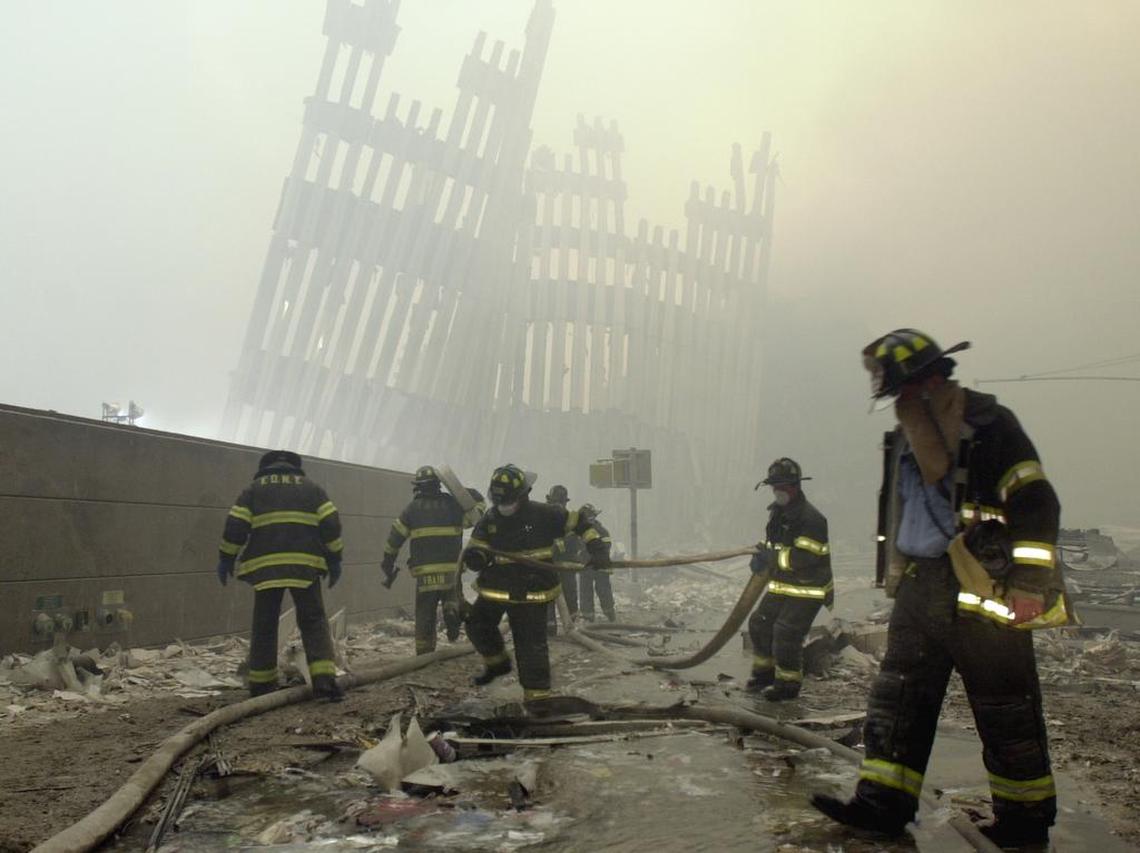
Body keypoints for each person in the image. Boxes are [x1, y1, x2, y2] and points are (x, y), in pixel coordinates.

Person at [812, 329, 1070, 847]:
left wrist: (1028, 584)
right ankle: (882, 804)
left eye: (904, 392)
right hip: (920, 587)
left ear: (931, 381)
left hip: (983, 586)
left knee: (1006, 711)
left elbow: (1038, 503)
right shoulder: (908, 435)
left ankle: (1024, 823)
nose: (899, 404)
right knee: (897, 701)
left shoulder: (990, 425)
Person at [462, 464, 611, 707]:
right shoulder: (491, 518)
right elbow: (478, 545)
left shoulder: (546, 514)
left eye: (508, 501)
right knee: (477, 623)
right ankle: (497, 663)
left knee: (530, 643)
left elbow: (580, 522)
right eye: (500, 501)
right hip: (497, 586)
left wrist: (597, 548)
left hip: (532, 589)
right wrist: (477, 557)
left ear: (522, 495)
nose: (505, 507)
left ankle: (537, 698)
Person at [217, 450, 344, 701]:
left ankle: (262, 686)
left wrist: (226, 558)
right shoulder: (312, 489)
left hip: (265, 569)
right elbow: (331, 525)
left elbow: (235, 527)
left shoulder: (253, 490)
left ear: (266, 468)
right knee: (313, 621)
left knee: (264, 625)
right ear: (294, 468)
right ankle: (324, 685)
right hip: (304, 567)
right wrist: (335, 559)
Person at [745, 458, 833, 701]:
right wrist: (762, 555)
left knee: (785, 633)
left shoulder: (811, 519)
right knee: (759, 623)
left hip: (808, 588)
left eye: (783, 486)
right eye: (775, 486)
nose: (779, 491)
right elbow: (776, 545)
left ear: (796, 486)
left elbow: (805, 557)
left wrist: (772, 557)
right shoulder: (777, 513)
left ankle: (787, 685)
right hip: (783, 585)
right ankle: (764, 675)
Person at [381, 466, 483, 655]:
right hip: (452, 568)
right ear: (438, 485)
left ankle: (424, 650)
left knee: (425, 611)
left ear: (418, 487)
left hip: (425, 572)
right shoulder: (453, 505)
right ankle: (451, 609)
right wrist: (469, 494)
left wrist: (387, 562)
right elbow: (477, 516)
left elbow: (394, 539)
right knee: (453, 595)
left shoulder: (411, 510)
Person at [544, 484, 580, 633]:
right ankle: (550, 625)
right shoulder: (543, 516)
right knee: (549, 595)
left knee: (569, 593)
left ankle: (570, 624)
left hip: (562, 564)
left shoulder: (569, 518)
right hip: (550, 564)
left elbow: (573, 541)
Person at [577, 504, 617, 623]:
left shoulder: (585, 531)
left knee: (590, 590)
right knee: (599, 590)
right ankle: (606, 614)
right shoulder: (601, 530)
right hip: (596, 566)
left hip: (591, 566)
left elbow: (605, 547)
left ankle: (594, 615)